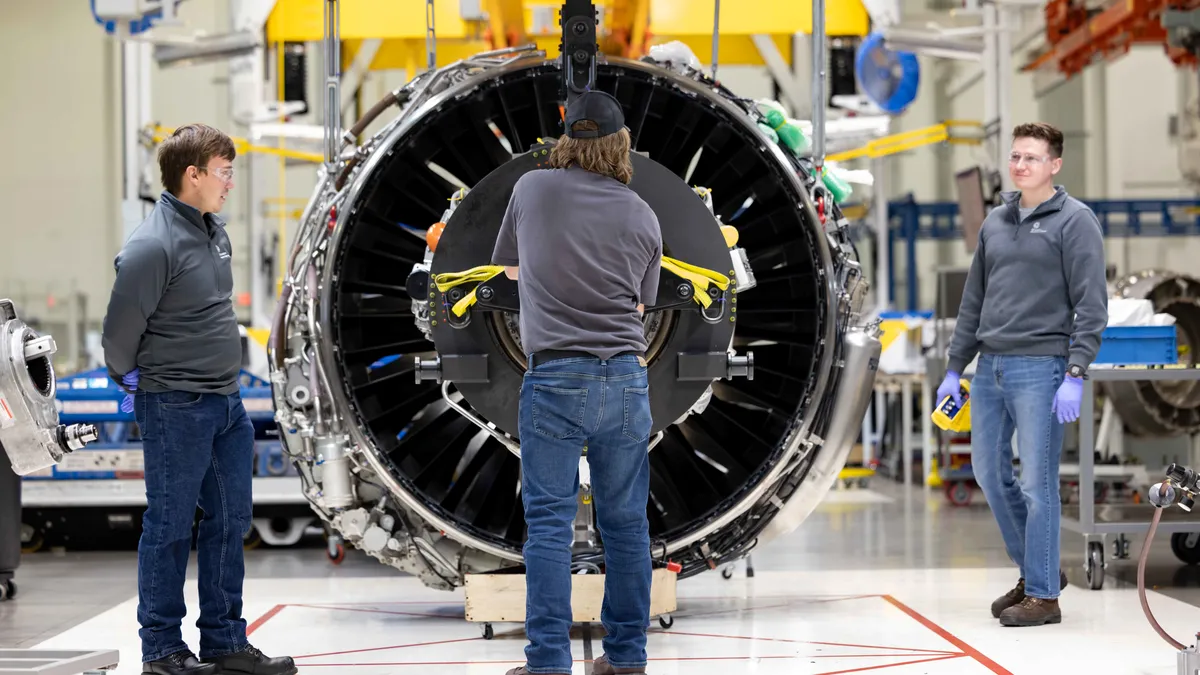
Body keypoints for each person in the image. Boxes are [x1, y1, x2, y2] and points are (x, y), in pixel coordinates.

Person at [102, 124, 296, 675]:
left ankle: (224, 641)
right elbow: (118, 335)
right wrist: (134, 381)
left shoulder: (214, 232)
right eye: (224, 172)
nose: (230, 182)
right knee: (169, 526)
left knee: (231, 521)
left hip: (225, 403)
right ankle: (162, 649)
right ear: (193, 176)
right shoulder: (151, 246)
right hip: (175, 405)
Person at [492, 90, 662, 675]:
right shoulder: (642, 213)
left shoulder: (531, 190)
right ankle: (626, 660)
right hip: (623, 380)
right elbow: (643, 306)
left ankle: (547, 664)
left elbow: (511, 269)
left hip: (555, 377)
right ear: (621, 144)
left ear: (567, 137)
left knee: (547, 526)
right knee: (626, 527)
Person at [939, 122, 1108, 628]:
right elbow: (974, 301)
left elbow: (1092, 306)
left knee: (1038, 485)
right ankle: (1039, 572)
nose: (1020, 166)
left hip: (1042, 368)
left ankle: (1042, 596)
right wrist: (954, 367)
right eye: (1015, 157)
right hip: (989, 366)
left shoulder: (1076, 222)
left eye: (1031, 158)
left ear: (1054, 165)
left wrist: (1075, 371)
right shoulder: (996, 221)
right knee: (991, 476)